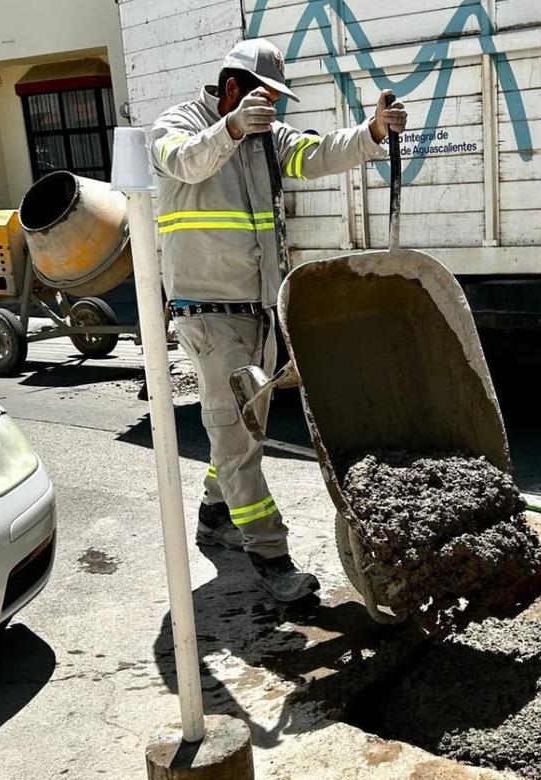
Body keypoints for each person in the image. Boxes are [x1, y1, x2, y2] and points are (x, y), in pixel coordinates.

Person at [149, 39, 407, 602]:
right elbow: (183, 160)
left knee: (250, 426)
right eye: (265, 98)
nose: (274, 110)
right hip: (207, 314)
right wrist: (232, 129)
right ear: (233, 88)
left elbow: (315, 154)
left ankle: (217, 510)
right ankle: (271, 557)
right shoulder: (178, 125)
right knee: (237, 434)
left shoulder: (266, 137)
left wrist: (373, 133)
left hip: (262, 311)